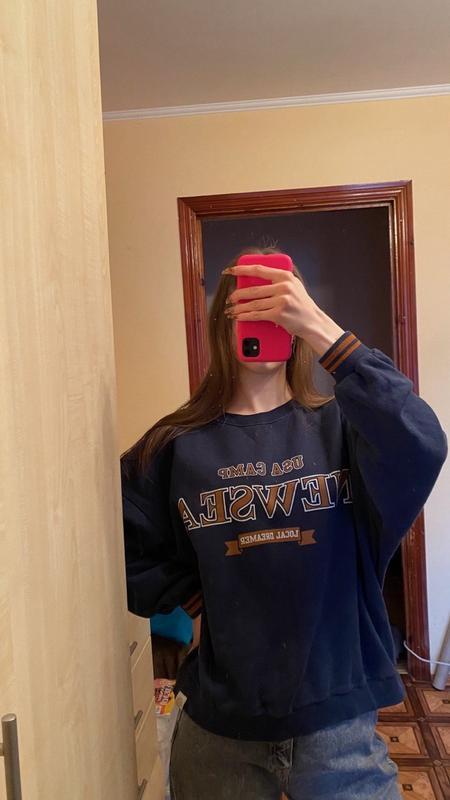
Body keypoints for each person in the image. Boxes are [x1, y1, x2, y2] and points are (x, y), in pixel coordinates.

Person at [120, 247, 447, 800]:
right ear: (222, 323)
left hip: (339, 731)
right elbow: (116, 547)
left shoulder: (344, 429)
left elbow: (422, 443)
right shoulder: (175, 446)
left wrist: (322, 330)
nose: (264, 319)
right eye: (250, 307)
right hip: (220, 731)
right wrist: (198, 596)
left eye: (279, 308)